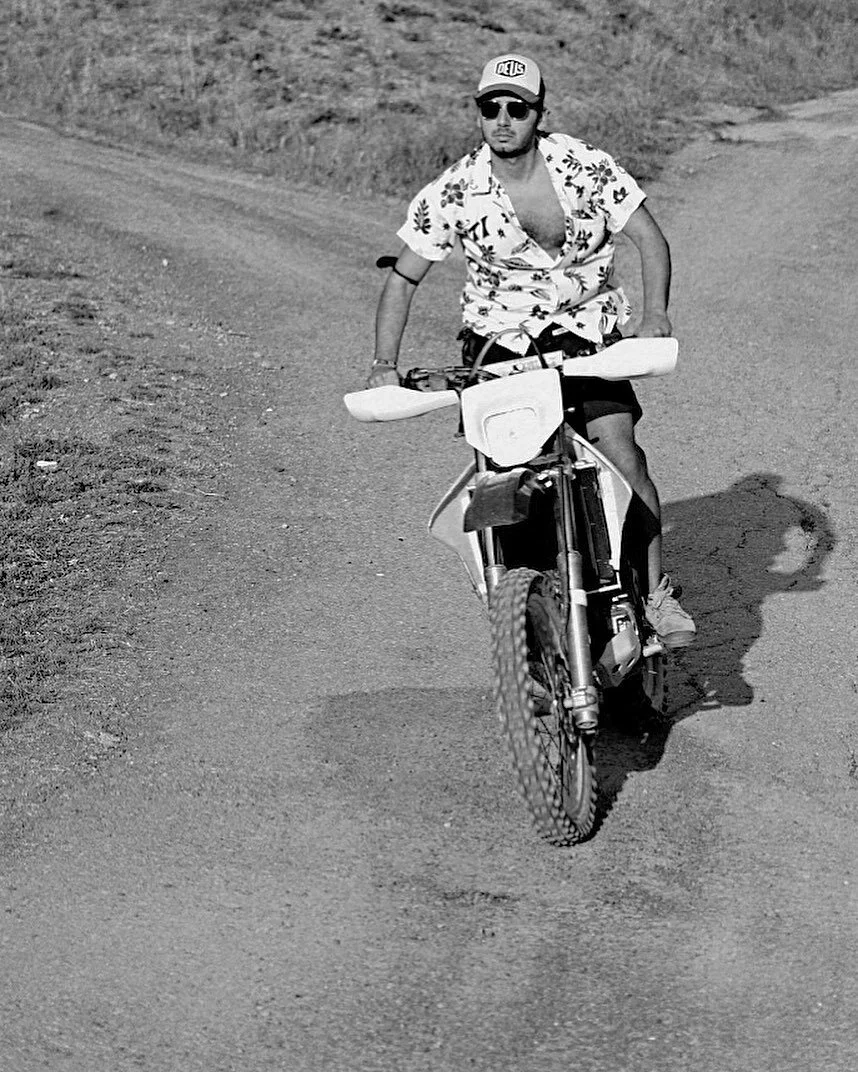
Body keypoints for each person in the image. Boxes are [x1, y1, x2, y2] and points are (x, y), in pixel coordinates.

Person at [366, 53, 696, 648]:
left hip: (585, 338)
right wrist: (383, 365)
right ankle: (524, 619)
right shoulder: (455, 190)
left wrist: (655, 316)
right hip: (499, 345)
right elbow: (404, 277)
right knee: (503, 476)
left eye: (516, 108)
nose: (502, 119)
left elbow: (649, 237)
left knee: (620, 452)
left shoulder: (584, 165)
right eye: (489, 108)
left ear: (538, 112)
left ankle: (653, 596)